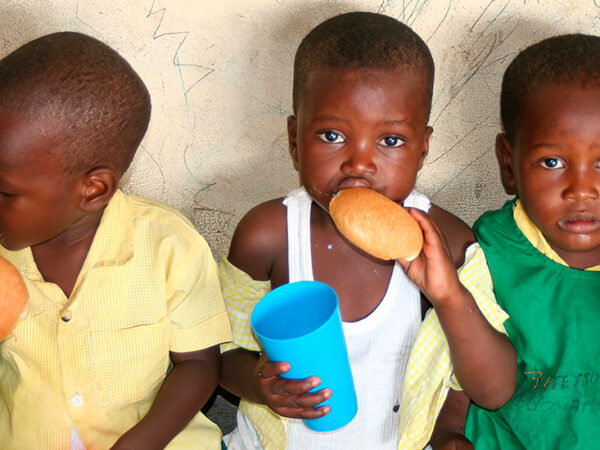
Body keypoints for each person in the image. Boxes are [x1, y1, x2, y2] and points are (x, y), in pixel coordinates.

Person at [218, 11, 515, 450]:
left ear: (423, 148)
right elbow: (222, 356)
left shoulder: (447, 243)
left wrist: (449, 296)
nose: (359, 163)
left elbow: (494, 391)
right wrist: (261, 383)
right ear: (295, 140)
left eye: (390, 141)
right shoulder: (268, 235)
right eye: (332, 135)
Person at [0, 32, 232, 449]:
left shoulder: (168, 245)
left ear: (92, 189)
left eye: (5, 192)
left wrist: (140, 443)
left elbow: (198, 364)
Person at [401, 33, 600, 449]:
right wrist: (448, 432)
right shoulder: (489, 250)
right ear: (508, 164)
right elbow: (470, 382)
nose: (581, 190)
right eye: (553, 162)